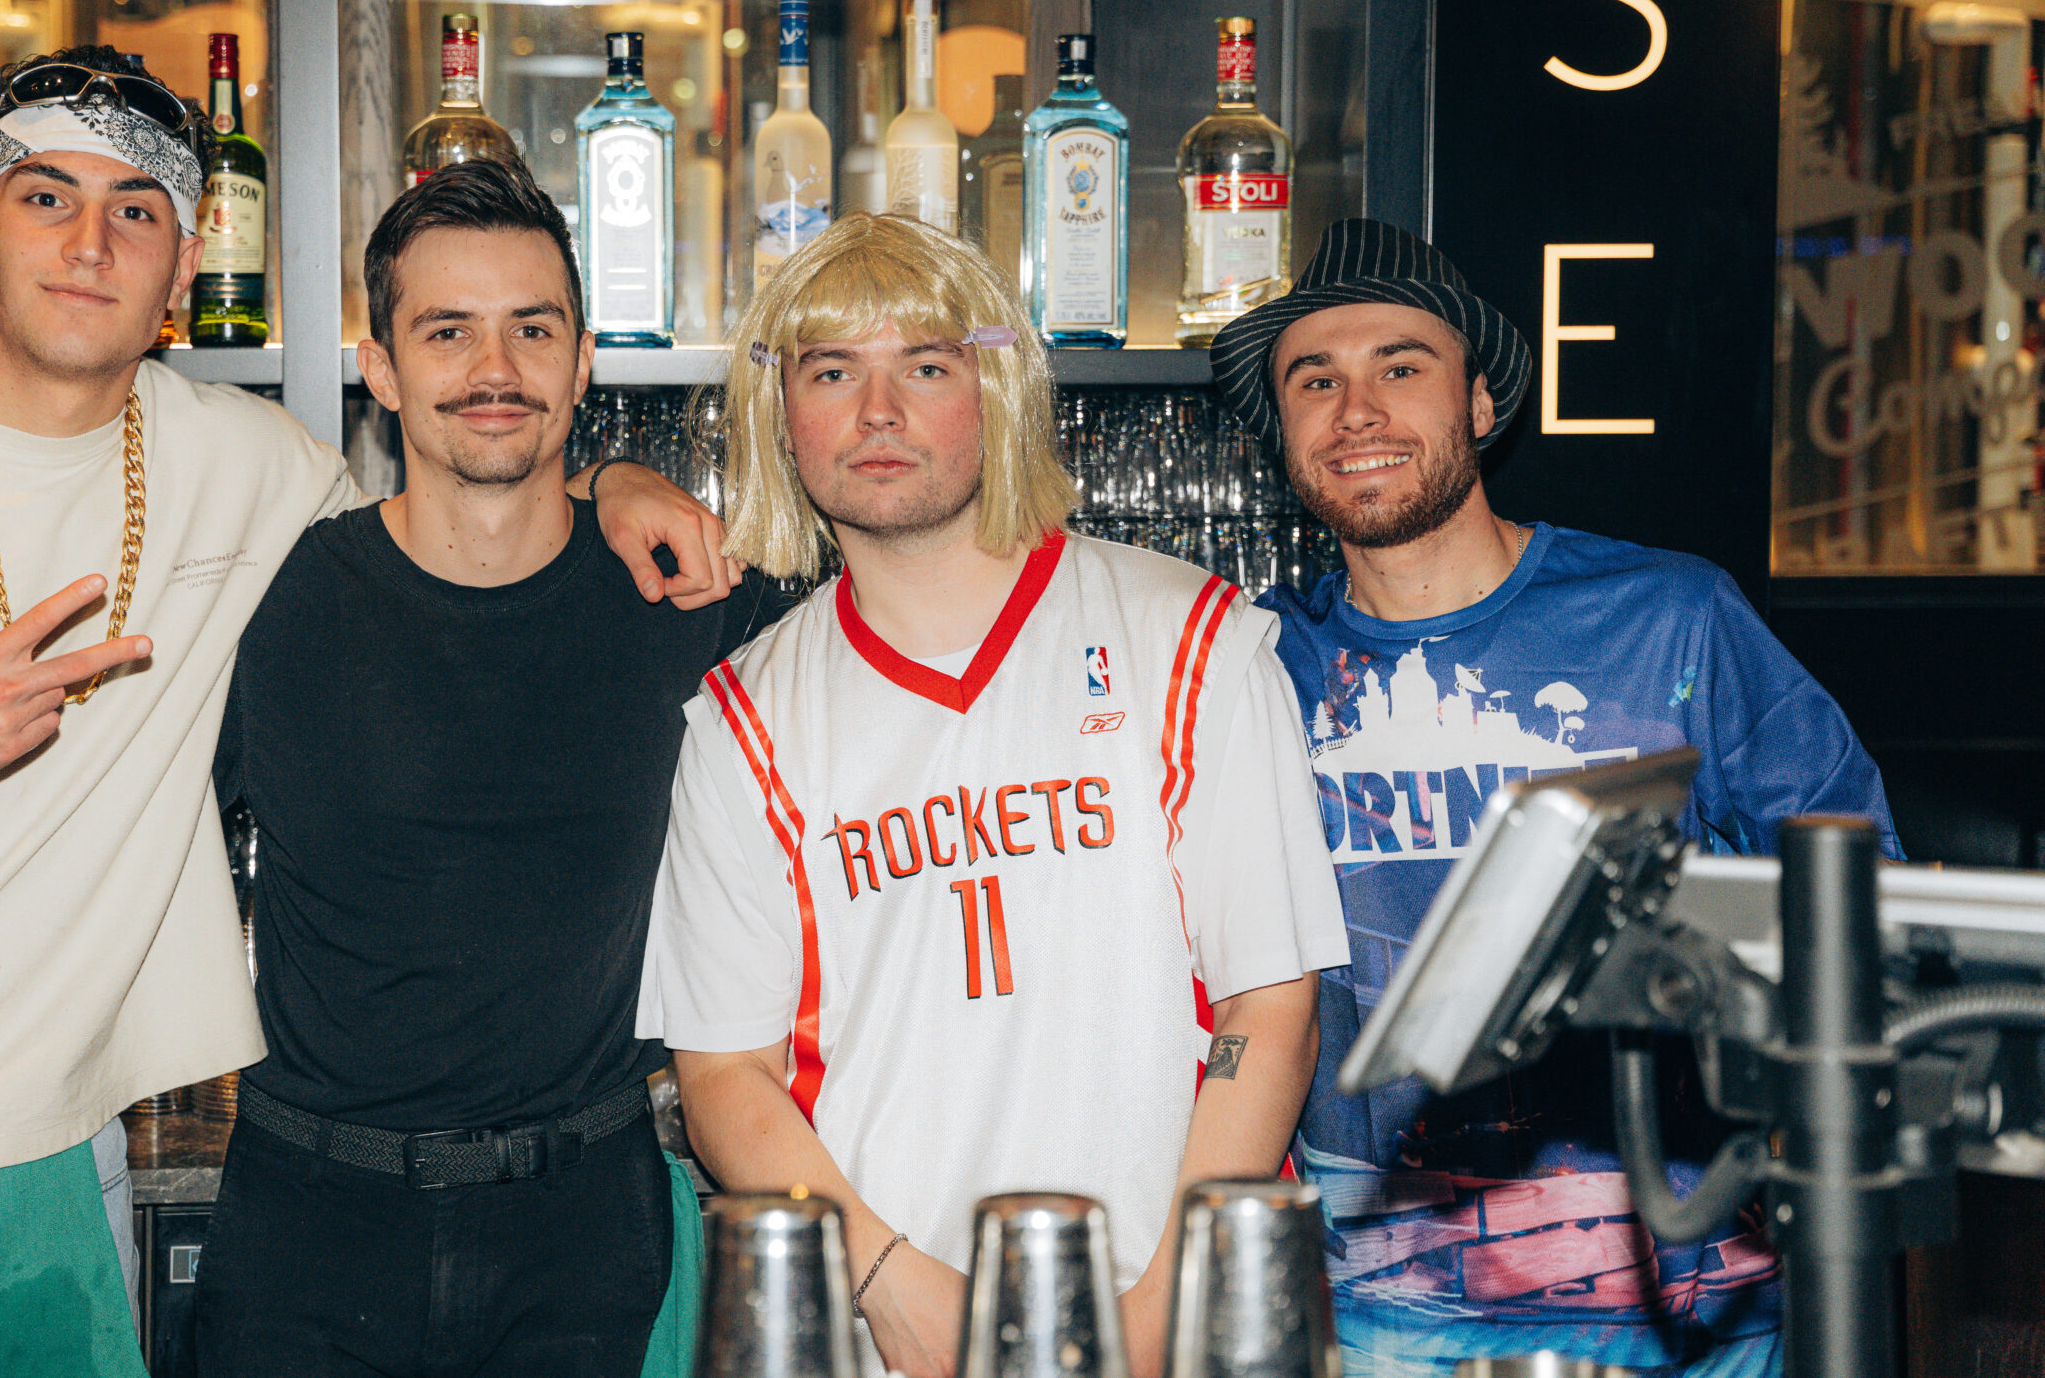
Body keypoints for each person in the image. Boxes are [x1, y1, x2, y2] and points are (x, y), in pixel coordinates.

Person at [0, 48, 730, 1378]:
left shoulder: (250, 468)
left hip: (54, 1175)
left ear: (184, 266)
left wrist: (620, 483)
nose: (90, 243)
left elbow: (474, 504)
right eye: (45, 198)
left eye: (135, 210)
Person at [640, 213, 1351, 1378]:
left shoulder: (1193, 641)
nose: (878, 412)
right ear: (779, 412)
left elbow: (1267, 1008)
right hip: (886, 1334)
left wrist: (1162, 1304)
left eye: (925, 366)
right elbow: (725, 1073)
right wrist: (889, 1286)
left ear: (1000, 391)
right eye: (832, 371)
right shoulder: (740, 720)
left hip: (1179, 1319)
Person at [1211, 218, 1902, 1378]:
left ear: (1481, 402)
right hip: (1384, 1327)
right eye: (1314, 380)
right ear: (1282, 432)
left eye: (1400, 368)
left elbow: (1856, 889)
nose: (1356, 410)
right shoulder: (1251, 662)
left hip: (1696, 1324)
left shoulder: (1670, 617)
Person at [188, 161, 791, 1378]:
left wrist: (617, 483)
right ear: (381, 370)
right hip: (307, 1226)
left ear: (583, 363)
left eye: (533, 329)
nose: (495, 368)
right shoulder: (273, 607)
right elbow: (92, 828)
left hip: (584, 1228)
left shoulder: (689, 602)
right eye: (447, 331)